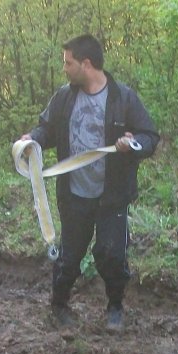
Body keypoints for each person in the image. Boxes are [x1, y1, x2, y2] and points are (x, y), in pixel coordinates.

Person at [19, 34, 159, 331]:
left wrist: (133, 144)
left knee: (112, 254)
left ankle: (115, 308)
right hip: (74, 195)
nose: (64, 69)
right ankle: (58, 306)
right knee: (69, 257)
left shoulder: (123, 98)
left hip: (112, 197)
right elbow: (47, 129)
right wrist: (32, 140)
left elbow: (150, 137)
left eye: (68, 63)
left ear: (86, 64)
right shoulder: (64, 97)